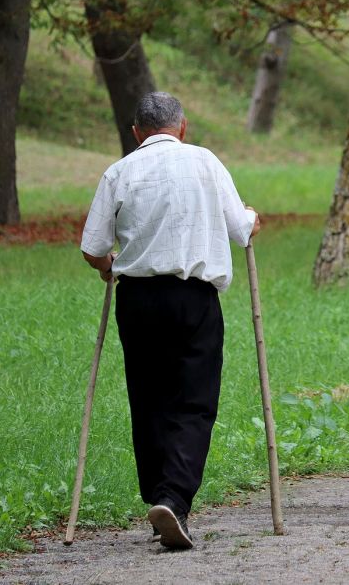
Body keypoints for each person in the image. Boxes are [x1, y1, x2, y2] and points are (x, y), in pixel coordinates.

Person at [80, 92, 260, 550]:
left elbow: (93, 247)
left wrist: (107, 267)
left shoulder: (118, 172)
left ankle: (159, 495)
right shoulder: (204, 161)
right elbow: (240, 230)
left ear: (136, 131)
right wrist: (253, 219)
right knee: (194, 400)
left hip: (137, 299)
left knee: (149, 398)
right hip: (193, 297)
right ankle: (173, 499)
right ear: (183, 127)